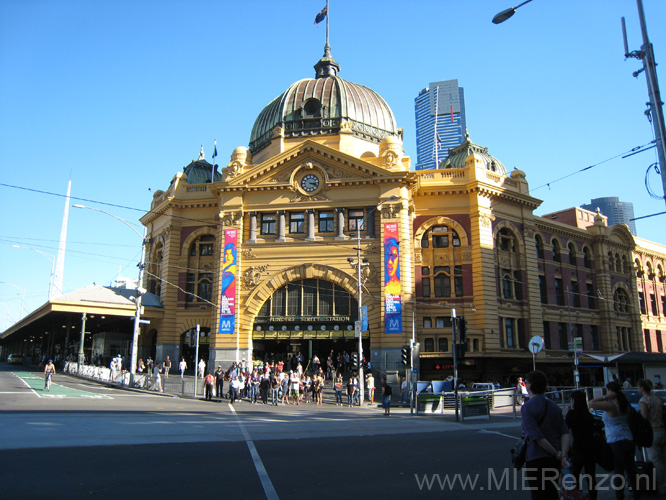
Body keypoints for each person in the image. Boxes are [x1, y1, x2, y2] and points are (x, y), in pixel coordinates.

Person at [521, 370, 570, 500]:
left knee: (539, 495)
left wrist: (556, 453)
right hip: (553, 460)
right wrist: (562, 455)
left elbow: (537, 437)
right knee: (552, 493)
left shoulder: (527, 407)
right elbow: (565, 432)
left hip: (536, 458)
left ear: (529, 386)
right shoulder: (554, 406)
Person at [590, 381, 637, 500]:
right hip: (628, 438)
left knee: (618, 471)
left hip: (616, 440)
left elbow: (592, 403)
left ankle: (619, 496)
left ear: (611, 391)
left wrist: (606, 397)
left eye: (608, 390)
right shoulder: (625, 405)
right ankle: (636, 494)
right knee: (631, 470)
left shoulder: (611, 406)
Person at [565, 391, 597, 500]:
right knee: (591, 476)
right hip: (590, 448)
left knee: (575, 475)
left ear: (574, 400)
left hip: (577, 448)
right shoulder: (588, 415)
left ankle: (577, 495)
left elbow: (565, 429)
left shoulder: (572, 414)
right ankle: (593, 497)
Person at [639, 378, 666, 496]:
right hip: (662, 429)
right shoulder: (657, 399)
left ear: (641, 388)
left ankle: (661, 486)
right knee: (663, 459)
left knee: (656, 460)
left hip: (652, 432)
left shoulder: (644, 400)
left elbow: (645, 418)